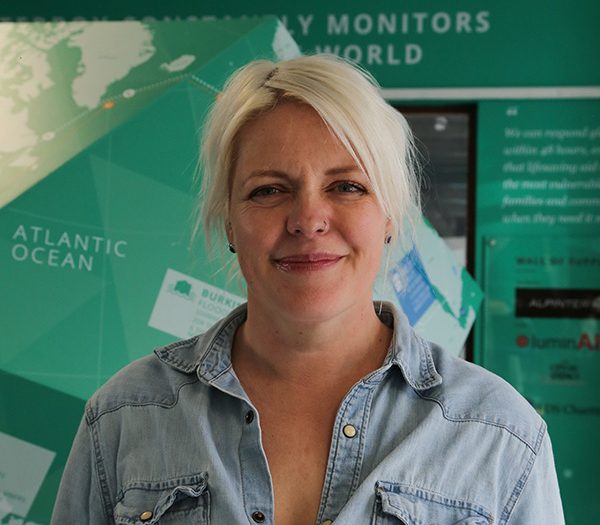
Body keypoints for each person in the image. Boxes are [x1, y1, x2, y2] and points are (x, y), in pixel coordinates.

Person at [51, 54, 564, 525]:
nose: (308, 220)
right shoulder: (125, 416)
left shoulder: (499, 435)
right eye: (269, 190)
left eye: (347, 186)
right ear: (229, 222)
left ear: (389, 215)